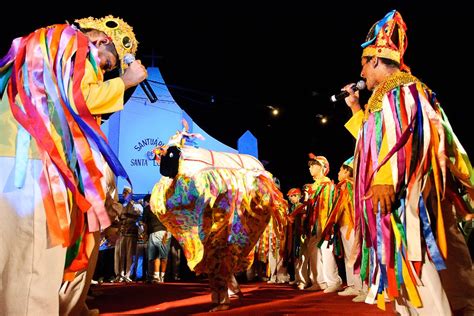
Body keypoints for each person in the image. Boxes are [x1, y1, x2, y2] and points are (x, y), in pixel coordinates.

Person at [0, 15, 147, 314]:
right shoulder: (76, 45)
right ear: (103, 41)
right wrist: (127, 81)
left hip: (16, 158)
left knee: (15, 261)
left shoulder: (50, 44)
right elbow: (80, 98)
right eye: (107, 65)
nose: (104, 73)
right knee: (34, 266)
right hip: (31, 166)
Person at [342, 9, 474, 314]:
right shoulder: (394, 94)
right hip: (413, 192)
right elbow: (371, 142)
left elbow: (402, 138)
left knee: (414, 260)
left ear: (374, 59)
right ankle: (463, 307)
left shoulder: (403, 90)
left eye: (363, 64)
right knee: (443, 256)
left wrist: (385, 177)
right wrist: (354, 108)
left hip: (405, 196)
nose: (361, 73)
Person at [142, 193, 172, 283]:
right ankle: (161, 276)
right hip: (166, 232)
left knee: (155, 256)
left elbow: (145, 224)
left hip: (155, 232)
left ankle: (156, 276)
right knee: (163, 256)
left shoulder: (148, 208)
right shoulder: (165, 207)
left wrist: (145, 234)